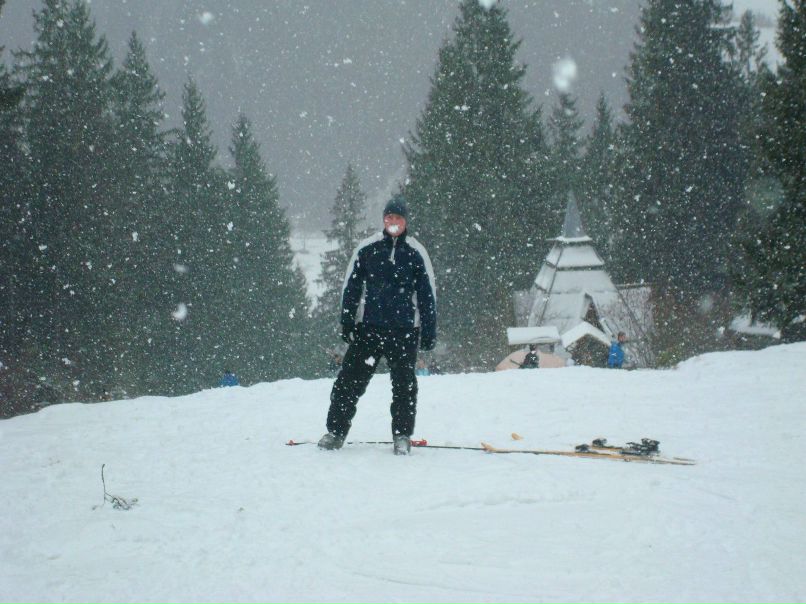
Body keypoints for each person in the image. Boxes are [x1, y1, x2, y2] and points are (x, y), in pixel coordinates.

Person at [318, 194, 437, 455]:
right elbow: (352, 286)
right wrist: (347, 321)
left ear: (405, 222)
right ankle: (335, 432)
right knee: (348, 382)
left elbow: (428, 295)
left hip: (404, 332)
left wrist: (428, 330)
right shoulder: (368, 249)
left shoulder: (416, 253)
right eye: (389, 217)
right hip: (370, 329)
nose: (393, 222)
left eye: (398, 218)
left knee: (404, 387)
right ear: (384, 219)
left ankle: (402, 436)